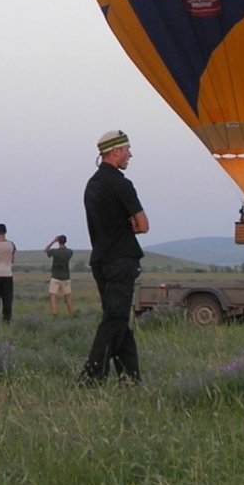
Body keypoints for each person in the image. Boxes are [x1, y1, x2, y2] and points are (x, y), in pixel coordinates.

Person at [81, 130, 148, 385]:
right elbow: (143, 225)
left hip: (100, 260)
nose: (130, 154)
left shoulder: (92, 184)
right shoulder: (121, 184)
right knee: (115, 319)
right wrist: (129, 224)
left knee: (118, 318)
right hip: (122, 259)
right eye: (127, 149)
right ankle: (91, 377)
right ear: (115, 151)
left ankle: (130, 378)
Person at [45, 234, 76, 316]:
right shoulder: (69, 252)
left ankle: (54, 313)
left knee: (53, 295)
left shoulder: (55, 252)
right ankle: (71, 313)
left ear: (58, 242)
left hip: (55, 277)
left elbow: (46, 250)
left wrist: (53, 241)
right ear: (65, 241)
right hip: (66, 277)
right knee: (67, 296)